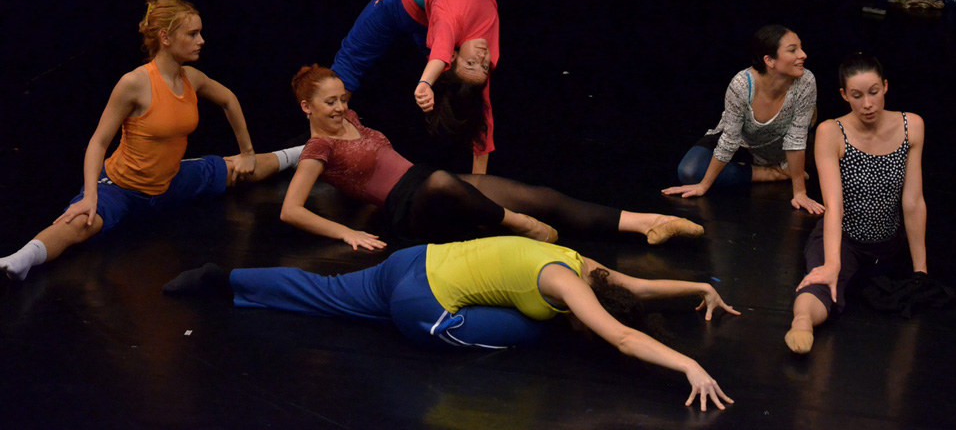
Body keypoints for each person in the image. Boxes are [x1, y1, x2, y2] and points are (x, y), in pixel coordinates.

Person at [163, 235, 739, 411]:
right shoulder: (568, 289)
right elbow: (621, 335)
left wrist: (701, 287)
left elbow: (637, 287)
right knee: (533, 329)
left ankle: (225, 280)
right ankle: (229, 284)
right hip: (425, 310)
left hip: (412, 260)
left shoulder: (582, 263)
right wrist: (689, 364)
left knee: (323, 291)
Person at [0, 0, 303, 283]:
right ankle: (21, 259)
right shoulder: (134, 83)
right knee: (81, 221)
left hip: (171, 182)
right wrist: (90, 195)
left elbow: (229, 100)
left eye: (200, 33)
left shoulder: (192, 78)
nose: (201, 40)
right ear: (165, 37)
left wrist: (247, 151)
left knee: (241, 170)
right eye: (192, 34)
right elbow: (98, 143)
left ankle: (303, 152)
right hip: (122, 188)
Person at [280, 65, 705, 251]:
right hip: (407, 210)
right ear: (306, 108)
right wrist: (346, 233)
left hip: (424, 179)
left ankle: (647, 222)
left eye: (343, 99)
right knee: (445, 182)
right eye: (330, 103)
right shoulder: (317, 149)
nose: (340, 108)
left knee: (538, 195)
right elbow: (291, 211)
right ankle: (520, 225)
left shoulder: (351, 118)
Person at [785, 54, 928, 354]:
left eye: (874, 92)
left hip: (889, 245)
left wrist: (921, 272)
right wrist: (832, 264)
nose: (867, 104)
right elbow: (833, 205)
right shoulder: (831, 132)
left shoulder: (911, 126)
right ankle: (802, 322)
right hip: (845, 239)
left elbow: (913, 201)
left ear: (885, 86)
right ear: (844, 95)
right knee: (822, 285)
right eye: (857, 95)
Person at [330, 0, 498, 173]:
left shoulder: (451, 24)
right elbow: (442, 51)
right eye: (483, 66)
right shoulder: (478, 44)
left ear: (454, 55)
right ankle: (324, 139)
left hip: (425, 16)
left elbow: (483, 118)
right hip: (403, 5)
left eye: (472, 64)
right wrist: (425, 83)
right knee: (346, 68)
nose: (482, 58)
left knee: (347, 66)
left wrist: (479, 184)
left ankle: (322, 146)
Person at [662, 25, 824, 214]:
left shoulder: (806, 81)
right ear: (769, 60)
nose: (803, 55)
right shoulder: (742, 85)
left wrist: (800, 192)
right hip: (743, 145)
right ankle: (771, 174)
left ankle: (779, 168)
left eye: (801, 48)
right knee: (689, 171)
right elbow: (730, 139)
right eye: (792, 50)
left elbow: (796, 138)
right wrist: (704, 185)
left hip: (779, 149)